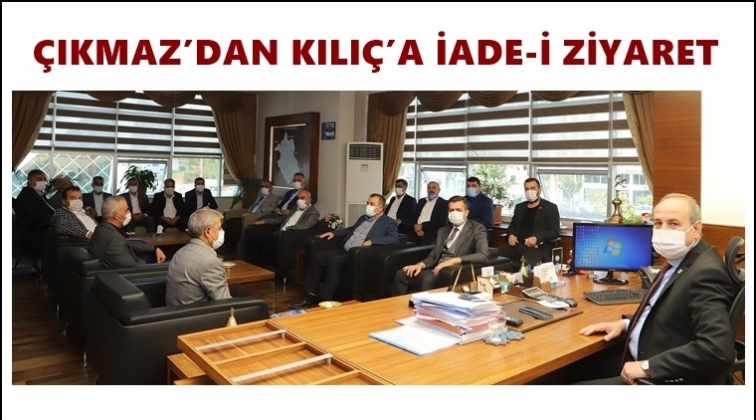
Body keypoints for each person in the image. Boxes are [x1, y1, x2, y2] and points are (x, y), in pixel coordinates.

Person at [575, 194, 740, 385]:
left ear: (696, 229)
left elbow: (716, 350)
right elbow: (670, 313)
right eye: (658, 223)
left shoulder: (705, 273)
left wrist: (647, 367)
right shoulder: (681, 261)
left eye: (673, 224)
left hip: (662, 374)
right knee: (572, 369)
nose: (663, 231)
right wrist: (626, 324)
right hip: (644, 353)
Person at [292, 193, 399, 308]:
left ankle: (324, 298)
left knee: (334, 261)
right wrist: (333, 233)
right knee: (318, 257)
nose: (368, 206)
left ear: (380, 208)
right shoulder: (363, 218)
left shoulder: (388, 222)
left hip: (357, 255)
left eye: (372, 204)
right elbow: (351, 229)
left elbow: (394, 238)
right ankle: (311, 295)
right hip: (343, 250)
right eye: (367, 203)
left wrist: (373, 241)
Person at [390, 196, 490, 296]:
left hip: (453, 271)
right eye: (451, 210)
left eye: (458, 210)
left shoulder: (477, 229)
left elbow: (483, 255)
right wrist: (420, 265)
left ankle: (424, 305)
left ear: (466, 213)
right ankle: (397, 305)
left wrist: (455, 260)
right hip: (436, 268)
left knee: (428, 279)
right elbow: (433, 256)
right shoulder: (443, 230)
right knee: (402, 274)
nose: (454, 213)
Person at [165, 208, 232, 306]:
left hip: (174, 312)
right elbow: (226, 304)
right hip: (196, 314)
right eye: (219, 228)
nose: (222, 231)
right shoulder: (211, 263)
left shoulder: (180, 252)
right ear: (208, 231)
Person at [244, 189, 319, 266]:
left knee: (268, 247)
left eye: (302, 198)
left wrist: (288, 228)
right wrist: (265, 221)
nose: (299, 200)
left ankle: (261, 268)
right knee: (255, 237)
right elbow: (282, 219)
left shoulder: (313, 212)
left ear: (309, 199)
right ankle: (250, 265)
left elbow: (305, 225)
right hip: (279, 231)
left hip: (289, 235)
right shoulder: (294, 208)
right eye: (298, 198)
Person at [499, 177, 560, 267]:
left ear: (539, 190)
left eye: (532, 188)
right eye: (527, 189)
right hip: (518, 245)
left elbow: (554, 232)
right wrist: (511, 235)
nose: (529, 191)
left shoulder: (550, 208)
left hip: (537, 247)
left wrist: (536, 238)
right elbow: (512, 226)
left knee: (526, 267)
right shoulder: (520, 207)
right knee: (493, 257)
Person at [89, 196, 166, 268]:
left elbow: (127, 242)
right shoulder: (115, 239)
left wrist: (154, 248)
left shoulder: (102, 228)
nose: (129, 212)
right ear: (116, 215)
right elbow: (133, 268)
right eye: (126, 210)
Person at [221, 179, 280, 255]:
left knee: (237, 224)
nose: (264, 188)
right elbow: (253, 205)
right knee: (230, 221)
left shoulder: (274, 197)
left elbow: (273, 208)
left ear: (271, 188)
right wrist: (249, 210)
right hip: (249, 214)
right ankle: (226, 246)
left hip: (257, 216)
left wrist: (261, 210)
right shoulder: (260, 196)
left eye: (266, 186)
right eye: (262, 186)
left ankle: (231, 248)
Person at [14, 169, 55, 272]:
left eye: (44, 179)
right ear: (30, 181)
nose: (43, 181)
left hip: (42, 227)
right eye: (39, 179)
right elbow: (36, 217)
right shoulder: (27, 195)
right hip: (38, 231)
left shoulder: (38, 194)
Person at [408, 181, 448, 246]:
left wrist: (422, 226)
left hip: (430, 230)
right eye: (429, 187)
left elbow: (441, 221)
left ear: (439, 190)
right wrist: (415, 227)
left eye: (434, 187)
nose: (431, 190)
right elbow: (414, 216)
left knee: (423, 244)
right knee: (404, 242)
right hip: (416, 229)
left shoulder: (443, 203)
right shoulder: (422, 201)